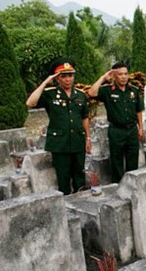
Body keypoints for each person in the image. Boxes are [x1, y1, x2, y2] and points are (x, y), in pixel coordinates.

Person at [25, 57, 91, 195]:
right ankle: (67, 205)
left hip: (78, 140)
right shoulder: (50, 94)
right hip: (60, 143)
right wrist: (45, 82)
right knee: (63, 177)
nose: (68, 79)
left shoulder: (80, 95)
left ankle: (82, 200)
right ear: (57, 78)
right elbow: (30, 103)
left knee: (80, 175)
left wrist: (88, 138)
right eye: (64, 76)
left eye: (70, 75)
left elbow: (85, 117)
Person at [89, 62, 144, 183]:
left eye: (125, 74)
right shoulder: (107, 90)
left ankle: (132, 184)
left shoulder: (133, 91)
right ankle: (118, 185)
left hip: (132, 130)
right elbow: (92, 93)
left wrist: (140, 128)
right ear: (114, 76)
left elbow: (139, 110)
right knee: (116, 161)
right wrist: (103, 77)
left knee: (133, 160)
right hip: (116, 131)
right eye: (120, 74)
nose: (124, 77)